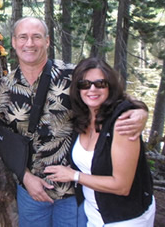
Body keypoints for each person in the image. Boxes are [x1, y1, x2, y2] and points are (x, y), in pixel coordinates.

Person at [0, 17, 148, 227]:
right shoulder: (1, 89)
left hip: (73, 193)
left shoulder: (73, 76)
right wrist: (25, 177)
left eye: (36, 37)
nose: (30, 43)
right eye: (23, 37)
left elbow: (114, 98)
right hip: (31, 193)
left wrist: (140, 111)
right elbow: (3, 138)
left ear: (47, 41)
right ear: (14, 41)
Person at [44, 58, 156, 226]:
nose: (92, 89)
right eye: (85, 84)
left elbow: (122, 186)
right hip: (93, 213)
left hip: (124, 218)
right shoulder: (82, 118)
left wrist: (74, 176)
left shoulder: (123, 122)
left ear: (109, 86)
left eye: (100, 83)